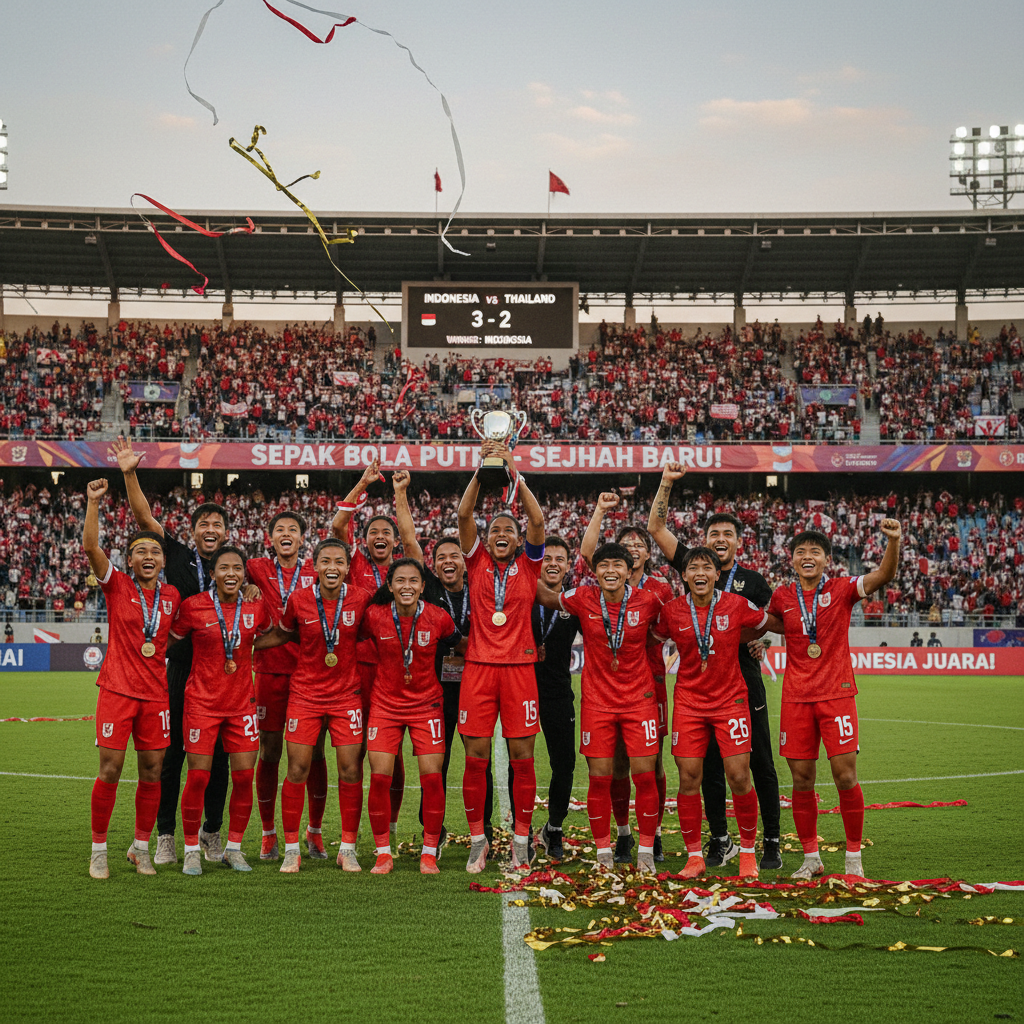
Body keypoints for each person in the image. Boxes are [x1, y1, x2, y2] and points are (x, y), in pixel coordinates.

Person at [113, 435, 245, 865]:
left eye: (217, 526)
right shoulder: (180, 556)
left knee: (221, 760)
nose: (210, 531)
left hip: (223, 677)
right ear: (192, 531)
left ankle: (210, 832)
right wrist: (130, 473)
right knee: (173, 756)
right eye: (203, 524)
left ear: (226, 533)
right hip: (180, 671)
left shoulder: (233, 567)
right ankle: (166, 835)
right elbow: (143, 517)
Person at [648, 467, 783, 871]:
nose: (719, 542)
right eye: (713, 535)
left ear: (738, 544)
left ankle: (767, 843)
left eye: (728, 535)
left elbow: (776, 618)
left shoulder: (750, 587)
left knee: (753, 766)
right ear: (690, 566)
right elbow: (656, 527)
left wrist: (766, 639)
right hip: (692, 695)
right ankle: (713, 844)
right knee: (698, 772)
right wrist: (667, 481)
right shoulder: (682, 590)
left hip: (741, 686)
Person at [763, 520, 902, 879]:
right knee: (802, 779)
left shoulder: (842, 589)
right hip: (796, 698)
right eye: (800, 552)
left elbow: (884, 575)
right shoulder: (781, 595)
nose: (807, 557)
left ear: (826, 559)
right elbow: (772, 623)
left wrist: (894, 540)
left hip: (837, 695)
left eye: (814, 552)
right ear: (791, 559)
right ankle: (811, 858)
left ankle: (853, 858)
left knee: (845, 776)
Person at [537, 542, 665, 873]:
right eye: (604, 565)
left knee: (645, 777)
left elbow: (671, 625)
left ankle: (647, 851)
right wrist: (519, 570)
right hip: (598, 704)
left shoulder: (649, 601)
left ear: (629, 570)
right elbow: (547, 597)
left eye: (617, 565)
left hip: (640, 702)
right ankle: (603, 853)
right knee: (599, 778)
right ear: (595, 571)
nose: (611, 570)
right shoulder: (582, 597)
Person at [391, 470, 495, 853]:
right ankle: (431, 827)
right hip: (433, 690)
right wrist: (401, 492)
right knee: (435, 764)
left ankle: (481, 828)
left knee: (476, 759)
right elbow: (408, 540)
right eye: (441, 557)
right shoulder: (429, 587)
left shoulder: (481, 586)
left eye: (455, 555)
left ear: (465, 562)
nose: (448, 561)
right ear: (431, 566)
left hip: (474, 688)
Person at [83, 478, 181, 879]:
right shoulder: (117, 585)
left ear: (162, 561)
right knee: (110, 769)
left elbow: (182, 634)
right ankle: (99, 849)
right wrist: (93, 503)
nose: (148, 556)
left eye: (155, 551)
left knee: (152, 771)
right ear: (129, 559)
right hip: (117, 690)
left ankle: (140, 847)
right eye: (140, 551)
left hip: (156, 696)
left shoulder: (173, 596)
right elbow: (91, 547)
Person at [256, 539, 372, 873]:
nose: (332, 568)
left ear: (347, 567)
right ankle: (291, 848)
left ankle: (347, 848)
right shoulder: (299, 599)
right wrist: (249, 644)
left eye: (339, 561)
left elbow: (376, 632)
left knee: (350, 770)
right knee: (297, 769)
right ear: (315, 566)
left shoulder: (361, 598)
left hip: (346, 695)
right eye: (325, 561)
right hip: (305, 695)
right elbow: (284, 633)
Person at [653, 547, 769, 879]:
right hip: (689, 703)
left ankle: (747, 852)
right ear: (685, 575)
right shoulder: (673, 611)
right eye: (693, 568)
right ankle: (694, 858)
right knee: (689, 777)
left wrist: (764, 641)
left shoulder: (735, 605)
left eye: (707, 567)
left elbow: (766, 622)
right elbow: (648, 637)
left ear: (717, 575)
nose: (700, 573)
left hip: (730, 701)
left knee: (739, 776)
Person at [457, 440, 546, 872]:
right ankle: (479, 840)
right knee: (474, 757)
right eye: (495, 531)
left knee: (522, 758)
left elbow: (538, 520)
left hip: (519, 670)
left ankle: (521, 840)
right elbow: (462, 516)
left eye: (509, 531)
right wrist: (482, 469)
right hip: (477, 669)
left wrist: (514, 471)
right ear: (486, 539)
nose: (502, 536)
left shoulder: (529, 566)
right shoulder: (474, 563)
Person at [581, 494, 674, 863]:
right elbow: (588, 553)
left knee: (652, 763)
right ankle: (622, 833)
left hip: (649, 683)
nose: (634, 548)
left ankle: (655, 833)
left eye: (640, 544)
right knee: (615, 764)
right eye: (627, 544)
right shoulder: (603, 580)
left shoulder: (659, 590)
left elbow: (674, 625)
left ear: (648, 555)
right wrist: (600, 510)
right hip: (607, 688)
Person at [168, 546, 270, 875]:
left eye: (237, 568)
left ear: (244, 574)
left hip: (241, 705)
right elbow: (169, 641)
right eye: (223, 568)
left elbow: (267, 635)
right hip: (201, 703)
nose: (231, 574)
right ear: (212, 574)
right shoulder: (193, 607)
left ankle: (234, 848)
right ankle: (190, 850)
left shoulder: (256, 605)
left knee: (243, 778)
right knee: (198, 776)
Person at [361, 559, 462, 874]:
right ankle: (383, 854)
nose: (407, 586)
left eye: (413, 581)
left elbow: (461, 646)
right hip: (385, 705)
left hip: (426, 705)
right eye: (400, 580)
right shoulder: (374, 616)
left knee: (432, 779)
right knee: (379, 778)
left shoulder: (438, 618)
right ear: (390, 586)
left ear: (422, 586)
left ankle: (429, 853)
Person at [332, 457, 404, 835]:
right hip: (357, 669)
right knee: (355, 753)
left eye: (385, 532)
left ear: (394, 541)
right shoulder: (354, 561)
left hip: (394, 671)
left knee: (392, 756)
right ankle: (354, 827)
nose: (379, 536)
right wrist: (362, 484)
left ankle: (389, 825)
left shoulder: (405, 573)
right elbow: (338, 523)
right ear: (365, 540)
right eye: (373, 530)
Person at [246, 511, 323, 861]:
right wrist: (247, 587)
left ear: (302, 539)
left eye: (293, 529)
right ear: (270, 539)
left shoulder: (316, 571)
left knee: (315, 755)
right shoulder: (255, 568)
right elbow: (226, 578)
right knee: (270, 752)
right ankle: (268, 834)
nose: (286, 533)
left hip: (311, 673)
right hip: (270, 672)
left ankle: (315, 832)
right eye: (280, 529)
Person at [529, 536, 581, 862]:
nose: (552, 563)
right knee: (519, 764)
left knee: (564, 764)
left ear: (567, 567)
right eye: (546, 557)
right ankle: (520, 830)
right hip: (522, 690)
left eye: (559, 559)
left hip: (558, 691)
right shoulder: (523, 595)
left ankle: (554, 828)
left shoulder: (575, 603)